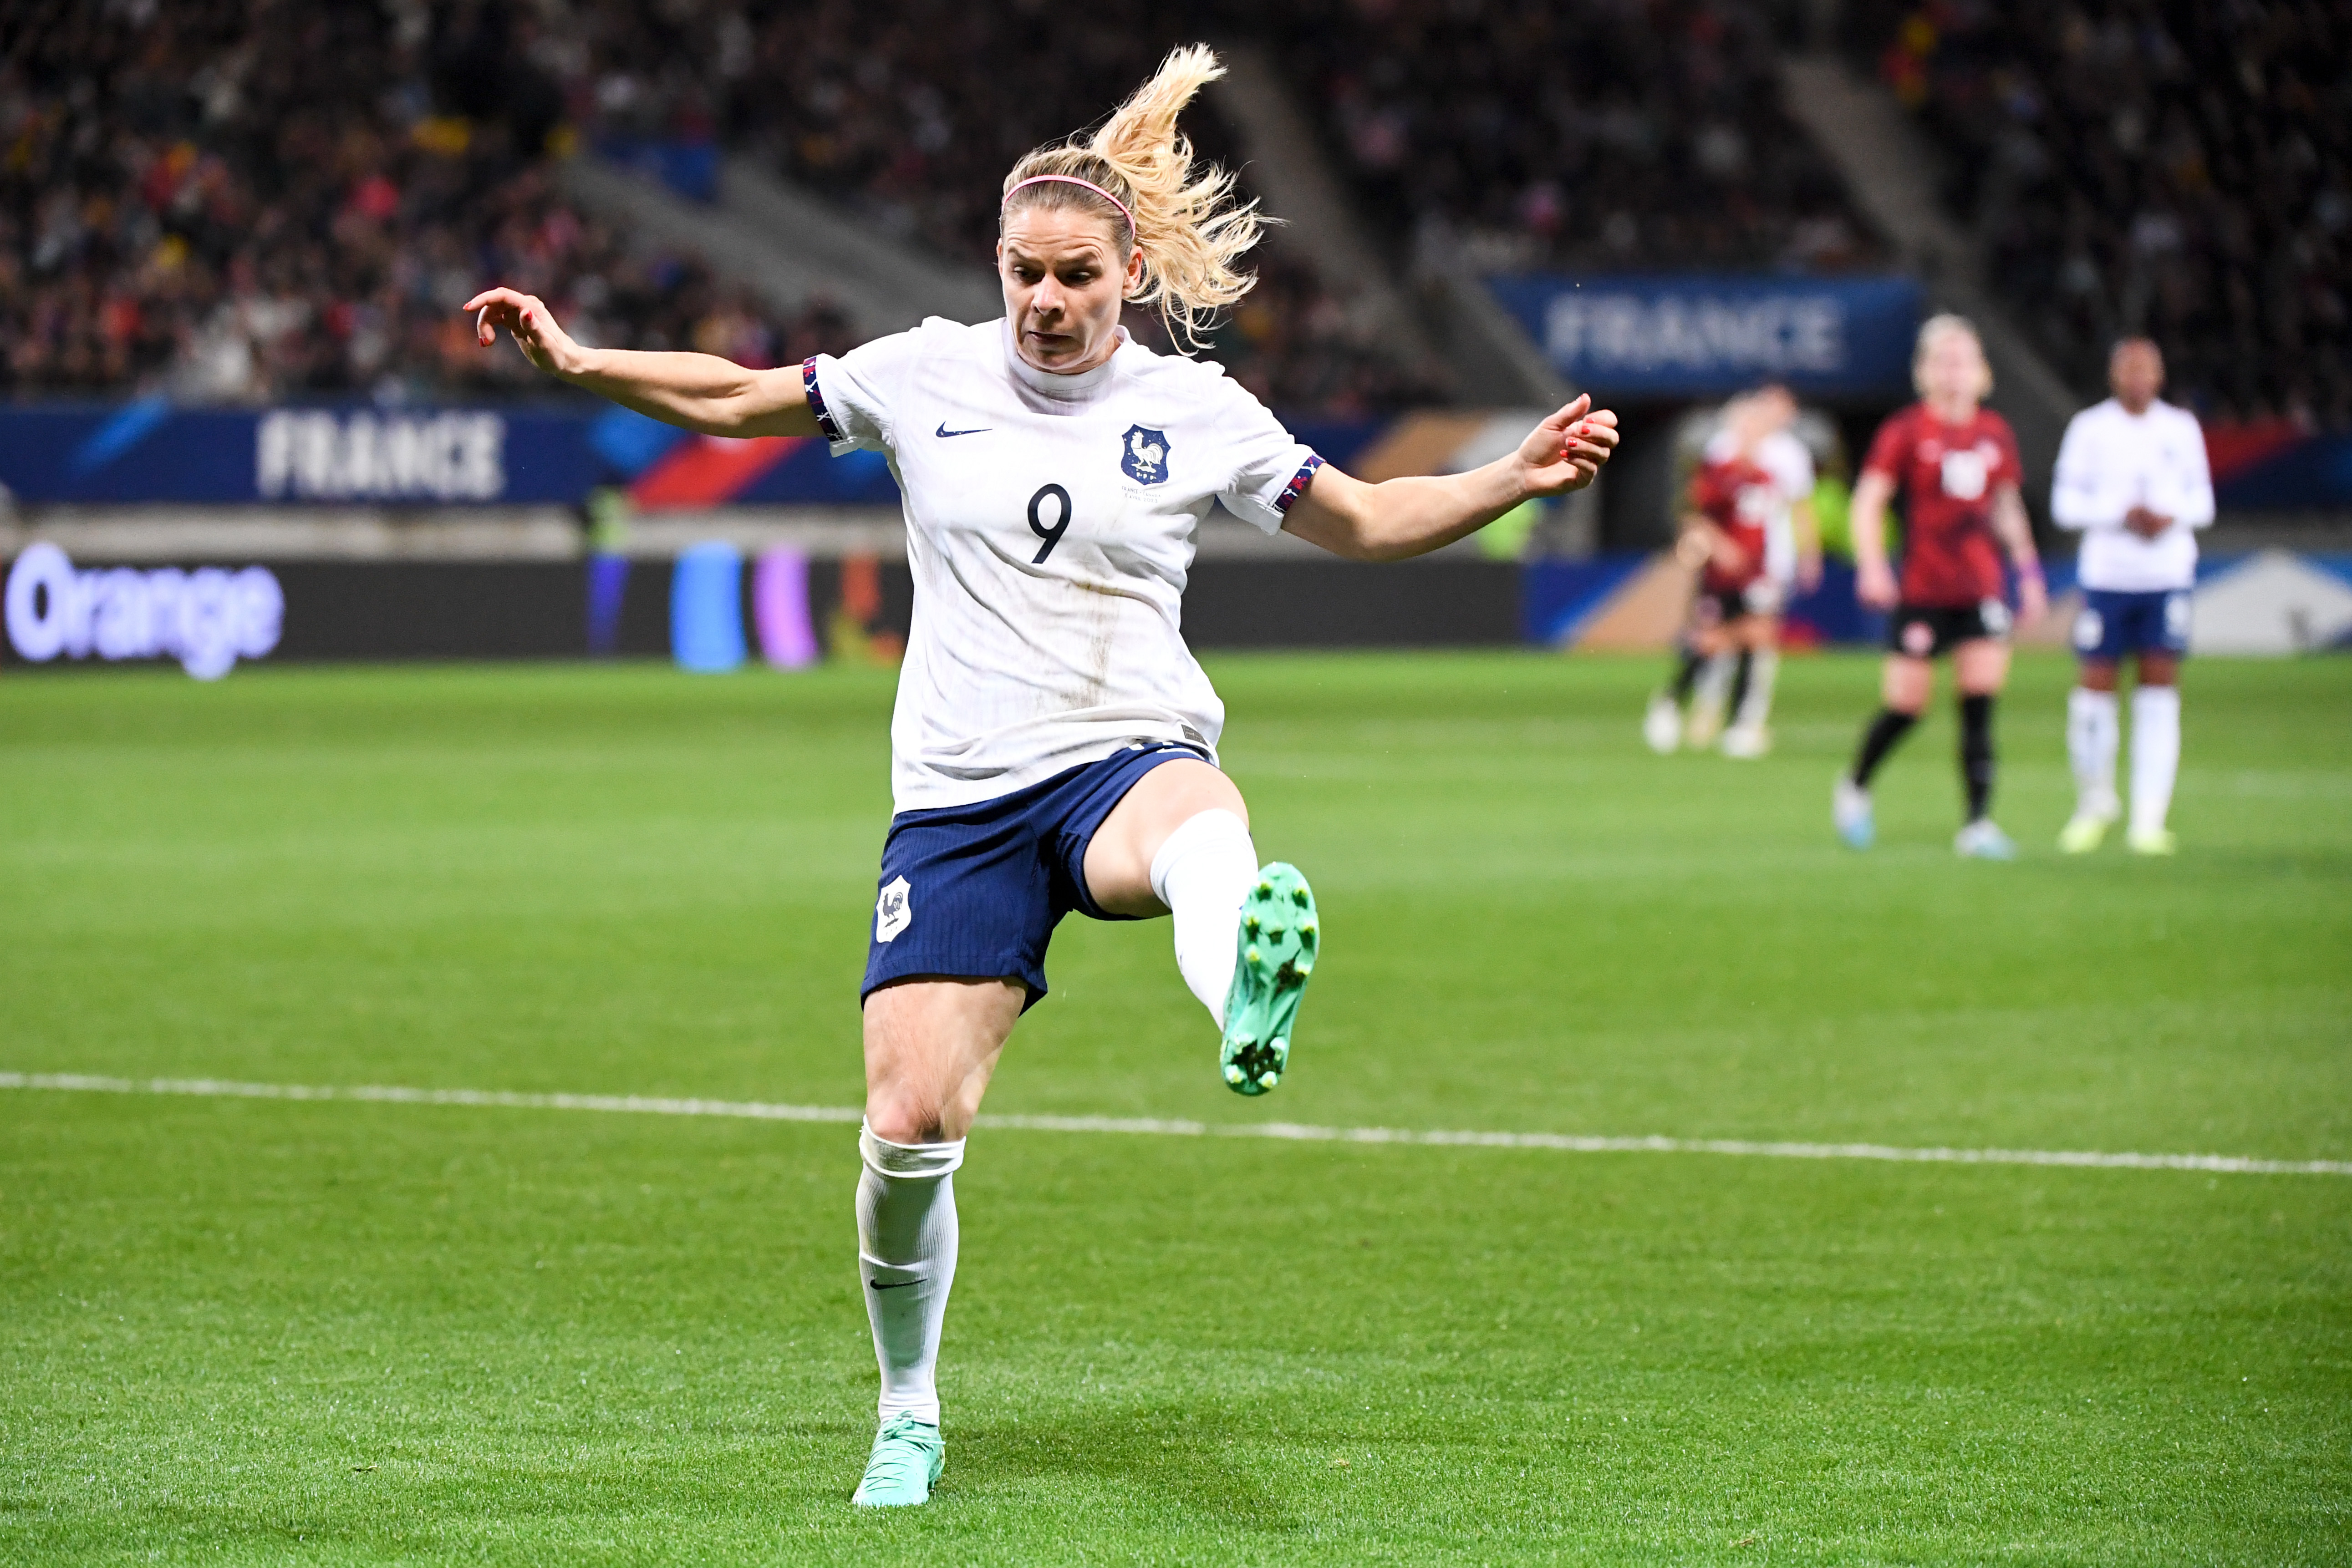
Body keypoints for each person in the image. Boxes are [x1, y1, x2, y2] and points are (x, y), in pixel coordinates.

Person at [463, 46, 1617, 1510]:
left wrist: (1514, 474)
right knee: (909, 1120)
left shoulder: (1199, 411)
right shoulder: (923, 372)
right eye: (1026, 273)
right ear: (996, 261)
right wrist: (581, 363)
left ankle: (1244, 995)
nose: (1048, 302)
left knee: (1204, 832)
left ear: (1128, 270)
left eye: (1076, 276)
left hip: (1123, 750)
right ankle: (908, 1402)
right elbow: (742, 394)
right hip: (958, 799)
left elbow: (1376, 517)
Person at [1833, 315, 2047, 857]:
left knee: (1979, 703)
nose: (1956, 371)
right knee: (1907, 705)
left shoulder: (1995, 433)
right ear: (1926, 371)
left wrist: (2028, 573)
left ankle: (1977, 824)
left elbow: (2006, 507)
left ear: (1983, 372)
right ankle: (1855, 786)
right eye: (1946, 360)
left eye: (1966, 360)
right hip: (1924, 590)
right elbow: (1868, 501)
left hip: (1982, 589)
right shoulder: (1907, 430)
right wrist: (1874, 565)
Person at [2050, 339, 2213, 855]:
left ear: (2160, 376)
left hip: (2166, 574)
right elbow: (2065, 505)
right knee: (2094, 690)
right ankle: (2094, 803)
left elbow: (2203, 502)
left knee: (2158, 691)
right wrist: (2119, 515)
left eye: (2148, 368)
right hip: (2108, 575)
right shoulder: (2090, 429)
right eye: (2129, 368)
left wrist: (2169, 515)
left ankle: (2148, 818)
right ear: (2114, 375)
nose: (2139, 377)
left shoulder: (2181, 429)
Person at [1644, 387, 1818, 756]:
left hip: (1758, 572)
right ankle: (1670, 703)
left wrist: (1789, 558)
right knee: (1710, 642)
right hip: (1722, 573)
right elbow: (1694, 516)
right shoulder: (1718, 472)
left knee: (1756, 638)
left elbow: (1777, 522)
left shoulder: (1767, 477)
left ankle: (1740, 724)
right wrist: (1718, 549)